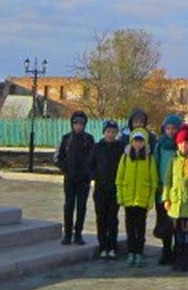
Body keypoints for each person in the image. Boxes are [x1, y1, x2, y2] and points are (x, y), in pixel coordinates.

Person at [116, 127, 158, 267]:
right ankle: (131, 252)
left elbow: (153, 181)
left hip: (142, 199)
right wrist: (120, 196)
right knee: (129, 227)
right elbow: (119, 178)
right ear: (131, 142)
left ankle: (139, 252)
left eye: (141, 141)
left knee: (140, 228)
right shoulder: (125, 157)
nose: (138, 144)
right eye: (135, 141)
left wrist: (150, 200)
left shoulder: (149, 158)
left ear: (145, 143)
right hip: (128, 199)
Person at [162, 126, 188, 272]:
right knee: (178, 235)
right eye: (181, 143)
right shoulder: (173, 160)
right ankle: (178, 259)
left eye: (186, 142)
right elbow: (167, 181)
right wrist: (166, 198)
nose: (183, 145)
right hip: (176, 204)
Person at [54, 111, 96, 245]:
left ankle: (78, 233)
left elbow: (94, 158)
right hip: (70, 178)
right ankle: (67, 234)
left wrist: (89, 173)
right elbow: (57, 158)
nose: (78, 126)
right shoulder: (66, 139)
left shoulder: (89, 139)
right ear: (72, 124)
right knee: (69, 206)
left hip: (84, 180)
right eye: (76, 123)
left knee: (81, 207)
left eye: (81, 124)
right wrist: (66, 168)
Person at [89, 119, 123, 258]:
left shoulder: (120, 148)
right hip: (100, 188)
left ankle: (112, 246)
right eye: (108, 131)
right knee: (101, 218)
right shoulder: (97, 147)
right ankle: (103, 246)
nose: (111, 134)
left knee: (112, 218)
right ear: (104, 132)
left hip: (115, 188)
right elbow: (89, 165)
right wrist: (96, 176)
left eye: (113, 132)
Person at [152, 114, 182, 265]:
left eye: (174, 128)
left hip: (177, 189)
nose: (171, 131)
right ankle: (166, 250)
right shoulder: (160, 145)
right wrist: (156, 184)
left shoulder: (181, 145)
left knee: (176, 222)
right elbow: (155, 164)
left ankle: (178, 251)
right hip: (162, 188)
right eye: (168, 128)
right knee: (164, 221)